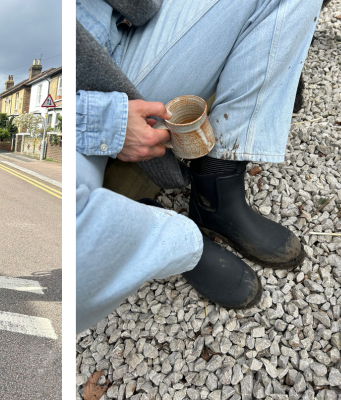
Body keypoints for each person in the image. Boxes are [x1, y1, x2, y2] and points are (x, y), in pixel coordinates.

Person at [76, 0, 323, 333]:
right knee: (78, 252)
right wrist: (106, 122)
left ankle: (216, 196)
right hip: (84, 92)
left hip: (120, 29)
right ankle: (179, 242)